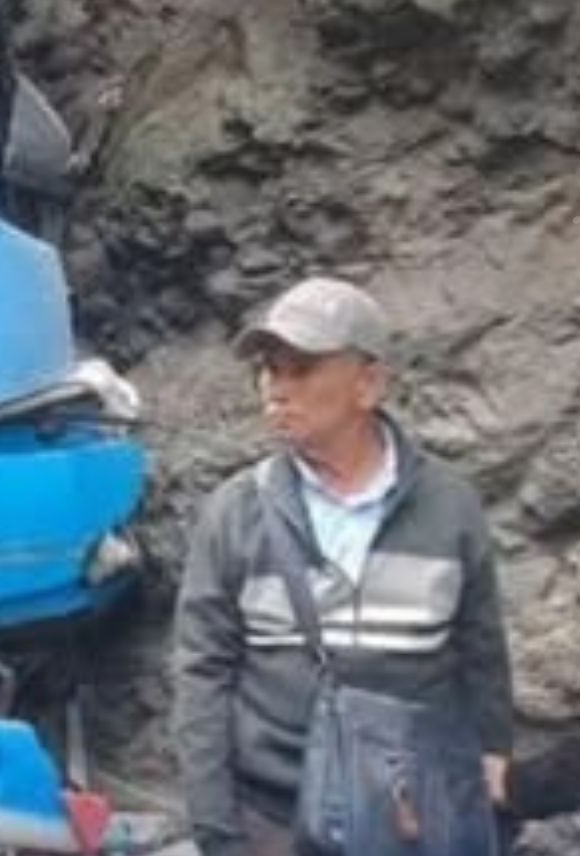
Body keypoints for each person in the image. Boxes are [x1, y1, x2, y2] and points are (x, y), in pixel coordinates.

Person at [172, 276, 513, 855]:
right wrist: (215, 829)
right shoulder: (235, 512)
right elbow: (200, 674)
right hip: (272, 819)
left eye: (300, 370)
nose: (275, 390)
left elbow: (482, 657)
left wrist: (489, 790)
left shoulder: (451, 508)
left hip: (410, 816)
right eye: (268, 370)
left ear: (370, 384)